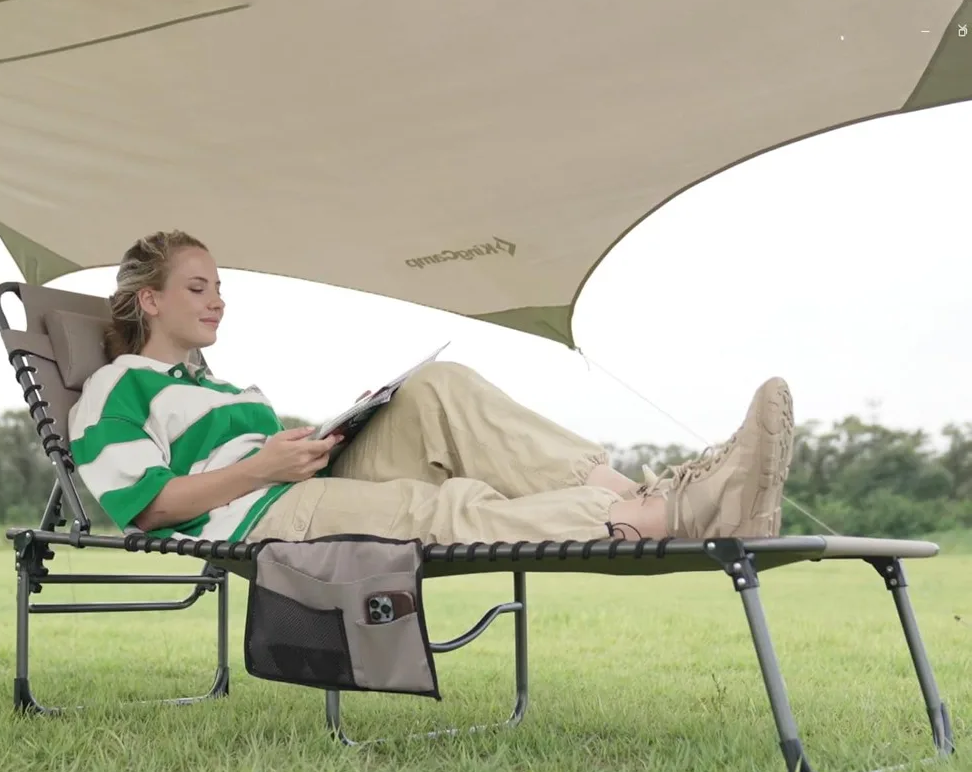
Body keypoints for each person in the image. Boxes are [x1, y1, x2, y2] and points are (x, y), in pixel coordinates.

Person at [68, 230, 795, 547]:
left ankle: (650, 497)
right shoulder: (115, 389)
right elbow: (146, 508)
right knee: (445, 509)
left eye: (220, 287)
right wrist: (260, 467)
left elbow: (262, 458)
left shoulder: (221, 386)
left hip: (292, 479)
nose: (218, 300)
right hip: (254, 516)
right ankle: (663, 516)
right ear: (150, 302)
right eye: (198, 287)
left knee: (438, 388)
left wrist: (343, 426)